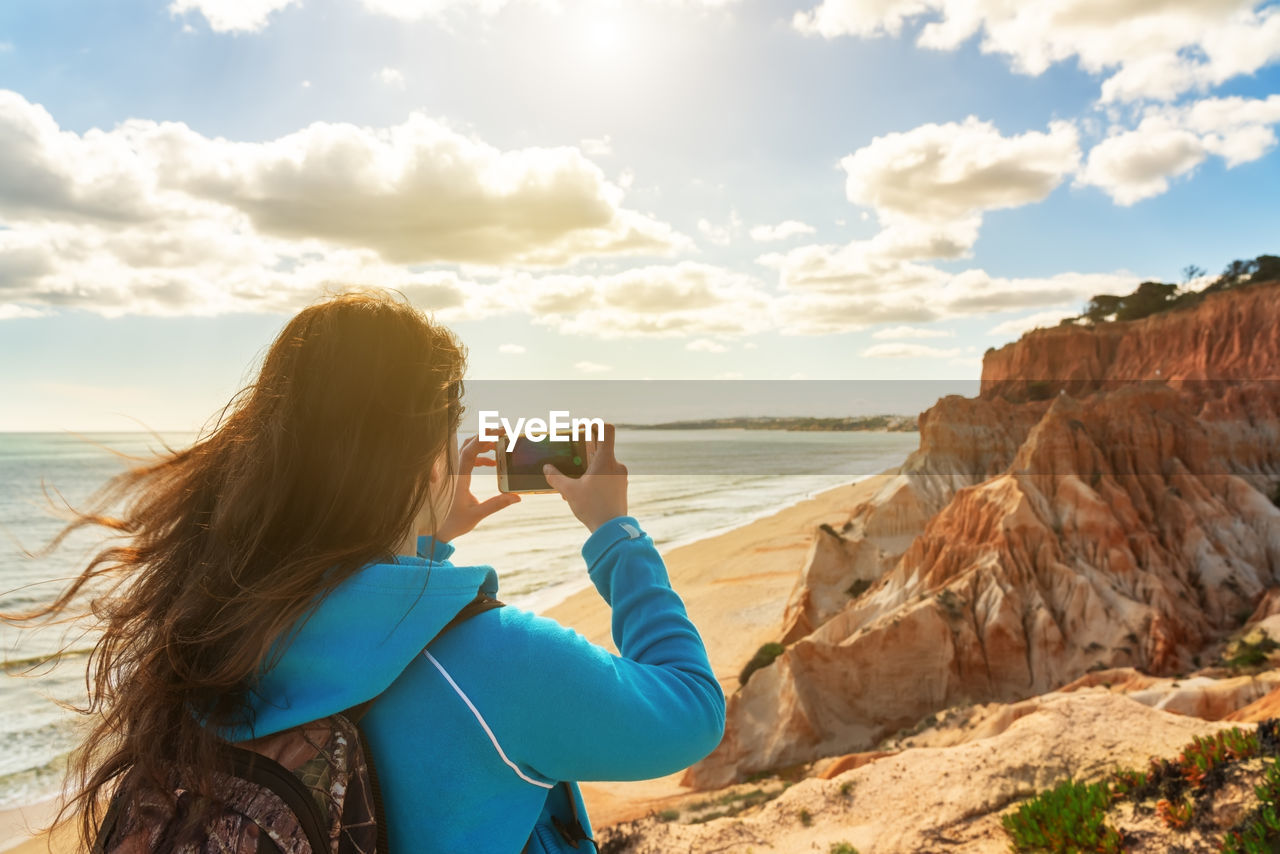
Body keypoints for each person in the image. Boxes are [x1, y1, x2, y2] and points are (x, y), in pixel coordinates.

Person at [12, 288, 725, 853]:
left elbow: (367, 636)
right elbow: (689, 715)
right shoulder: (495, 662)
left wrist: (413, 543)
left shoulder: (222, 621)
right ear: (419, 457)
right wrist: (615, 531)